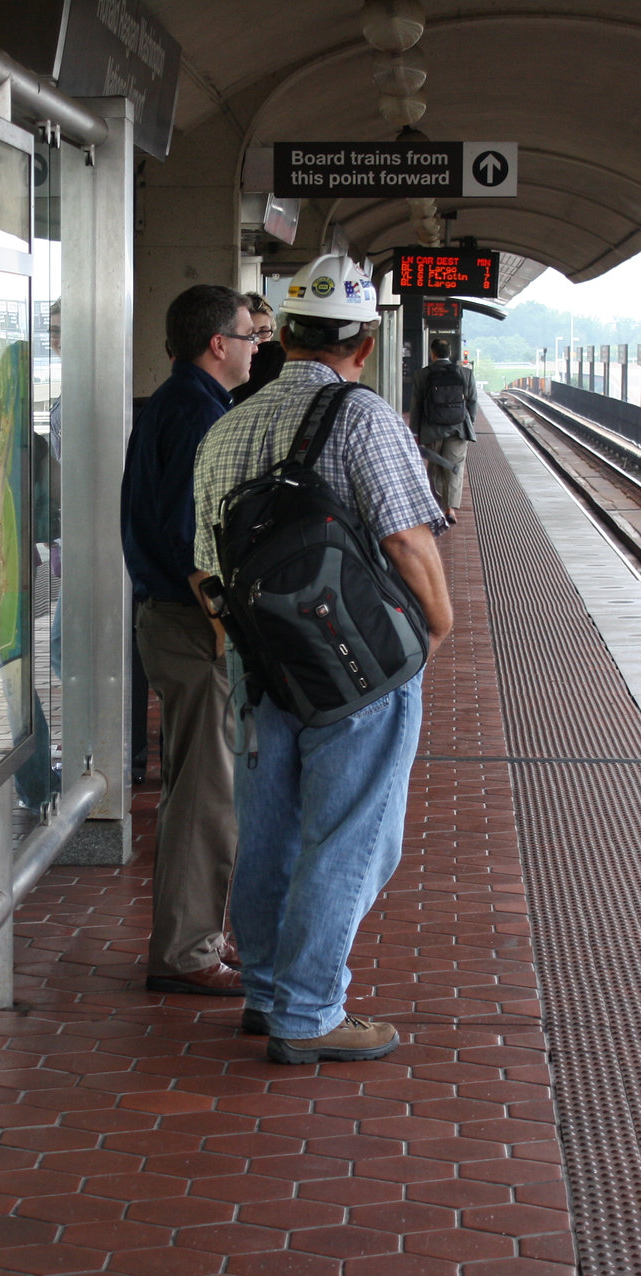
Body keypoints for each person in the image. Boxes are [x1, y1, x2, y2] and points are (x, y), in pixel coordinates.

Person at [193, 253, 453, 1063]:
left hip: (260, 662)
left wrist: (242, 656)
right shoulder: (365, 417)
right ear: (365, 343)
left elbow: (206, 571)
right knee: (351, 835)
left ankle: (269, 993)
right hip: (357, 666)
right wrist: (431, 634)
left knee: (268, 829)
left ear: (287, 335)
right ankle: (310, 1012)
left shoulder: (228, 421)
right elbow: (408, 540)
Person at [120, 283, 259, 996]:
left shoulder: (172, 405)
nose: (255, 345)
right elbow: (190, 535)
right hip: (189, 622)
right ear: (218, 344)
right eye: (248, 335)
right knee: (209, 793)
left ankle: (192, 937)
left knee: (193, 788)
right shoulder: (202, 417)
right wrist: (220, 624)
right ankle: (187, 951)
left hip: (164, 616)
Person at [406, 336, 476, 522]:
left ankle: (435, 507)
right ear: (450, 353)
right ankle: (450, 509)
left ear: (432, 353)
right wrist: (468, 422)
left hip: (431, 427)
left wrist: (415, 430)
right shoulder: (465, 374)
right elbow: (472, 402)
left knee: (435, 468)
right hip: (458, 428)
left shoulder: (423, 374)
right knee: (455, 468)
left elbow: (416, 404)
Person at [228, 291, 284, 404]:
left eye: (263, 331)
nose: (256, 340)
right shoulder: (228, 373)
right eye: (249, 333)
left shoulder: (280, 368)